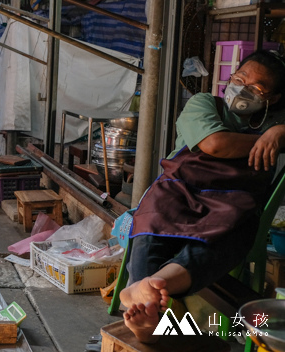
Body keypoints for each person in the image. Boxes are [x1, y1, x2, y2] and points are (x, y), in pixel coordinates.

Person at [121, 50, 285, 343]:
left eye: (257, 89)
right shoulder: (204, 103)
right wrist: (268, 138)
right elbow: (215, 144)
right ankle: (145, 305)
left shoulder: (275, 124)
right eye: (240, 78)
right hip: (179, 190)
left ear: (271, 98)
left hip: (234, 203)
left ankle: (146, 296)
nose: (244, 89)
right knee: (154, 224)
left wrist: (281, 130)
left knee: (225, 236)